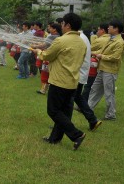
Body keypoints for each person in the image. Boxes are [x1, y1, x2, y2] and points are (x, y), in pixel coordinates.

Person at [32, 13, 87, 150]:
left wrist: (38, 51)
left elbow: (47, 55)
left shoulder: (61, 41)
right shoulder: (82, 42)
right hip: (73, 82)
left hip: (59, 81)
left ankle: (77, 134)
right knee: (65, 112)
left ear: (68, 25)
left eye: (62, 24)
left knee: (53, 111)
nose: (61, 26)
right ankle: (54, 139)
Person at [88, 19, 124, 121]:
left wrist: (101, 56)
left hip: (110, 70)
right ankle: (88, 108)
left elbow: (115, 57)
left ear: (116, 29)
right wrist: (92, 52)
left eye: (110, 26)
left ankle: (111, 114)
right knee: (94, 89)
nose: (108, 28)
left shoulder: (119, 42)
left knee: (109, 92)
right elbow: (102, 51)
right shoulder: (111, 38)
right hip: (102, 68)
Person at [74, 30, 102, 131]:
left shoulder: (79, 38)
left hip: (77, 73)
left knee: (67, 99)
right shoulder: (83, 37)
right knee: (77, 97)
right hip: (81, 73)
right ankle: (93, 120)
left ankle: (61, 125)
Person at [33, 22, 61, 95]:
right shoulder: (59, 37)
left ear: (55, 29)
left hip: (48, 58)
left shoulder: (52, 37)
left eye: (50, 27)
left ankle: (44, 90)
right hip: (54, 58)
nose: (49, 28)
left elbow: (44, 46)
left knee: (45, 74)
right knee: (49, 74)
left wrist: (35, 47)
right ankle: (44, 89)